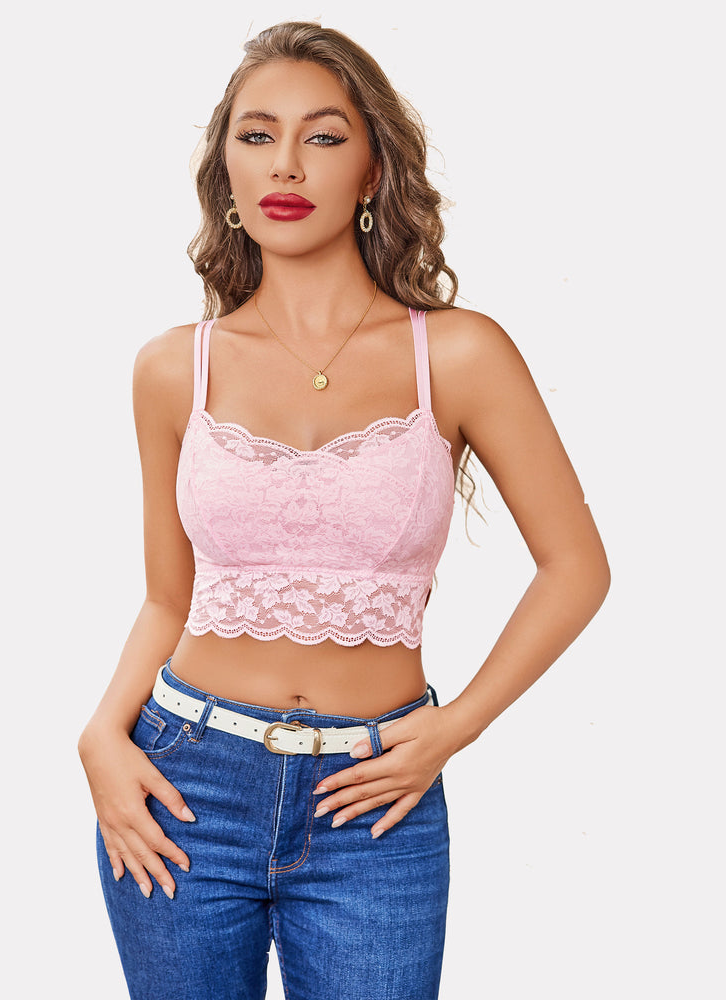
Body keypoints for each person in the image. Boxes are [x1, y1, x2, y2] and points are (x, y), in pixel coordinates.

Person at [78, 20, 610, 1000]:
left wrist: (455, 726)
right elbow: (167, 598)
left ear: (372, 172)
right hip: (183, 785)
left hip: (376, 797)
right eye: (256, 135)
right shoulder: (172, 368)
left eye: (322, 136)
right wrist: (101, 736)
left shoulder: (458, 353)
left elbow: (576, 567)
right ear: (227, 172)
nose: (285, 162)